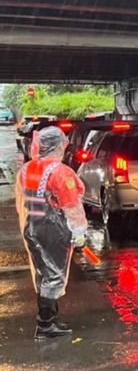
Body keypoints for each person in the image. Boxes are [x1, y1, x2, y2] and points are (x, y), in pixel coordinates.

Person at [15, 126, 88, 339]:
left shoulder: (27, 169)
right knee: (54, 275)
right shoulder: (60, 171)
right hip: (53, 229)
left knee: (43, 273)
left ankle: (49, 319)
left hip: (32, 227)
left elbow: (22, 199)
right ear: (56, 146)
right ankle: (46, 324)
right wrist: (79, 231)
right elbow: (71, 204)